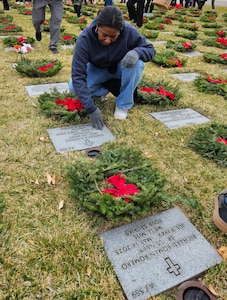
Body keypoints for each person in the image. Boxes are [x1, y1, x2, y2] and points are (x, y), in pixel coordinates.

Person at [69, 6, 156, 130]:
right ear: (97, 26)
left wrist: (137, 52)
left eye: (113, 37)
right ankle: (104, 89)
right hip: (97, 69)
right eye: (104, 35)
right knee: (73, 87)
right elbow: (78, 75)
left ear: (120, 31)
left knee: (138, 64)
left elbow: (150, 49)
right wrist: (91, 108)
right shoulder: (85, 38)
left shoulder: (129, 31)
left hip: (121, 68)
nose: (108, 40)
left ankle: (123, 104)